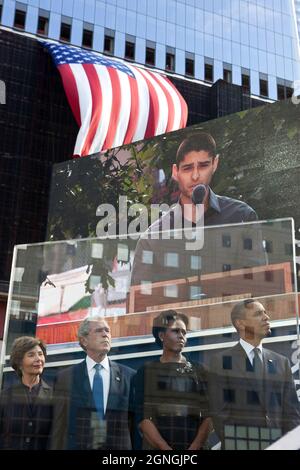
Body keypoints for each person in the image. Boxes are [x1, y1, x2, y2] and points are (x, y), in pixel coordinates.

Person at [131, 132, 262, 288]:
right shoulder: (153, 238)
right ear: (175, 172)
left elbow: (259, 285)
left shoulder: (242, 216)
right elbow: (140, 302)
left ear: (215, 163)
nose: (195, 176)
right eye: (187, 168)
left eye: (203, 165)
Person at [209, 299, 300, 450]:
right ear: (240, 323)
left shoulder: (281, 362)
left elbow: (292, 413)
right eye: (259, 313)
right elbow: (220, 415)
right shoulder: (220, 362)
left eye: (265, 312)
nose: (266, 317)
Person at [51, 316, 135, 450]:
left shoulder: (129, 376)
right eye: (99, 331)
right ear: (84, 341)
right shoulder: (65, 378)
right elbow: (58, 426)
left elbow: (135, 426)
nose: (105, 334)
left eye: (107, 331)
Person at [132, 310, 211, 450]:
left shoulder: (200, 371)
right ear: (161, 335)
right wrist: (165, 449)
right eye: (176, 331)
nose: (181, 336)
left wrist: (194, 448)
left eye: (184, 332)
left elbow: (210, 415)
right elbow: (142, 418)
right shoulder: (146, 371)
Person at [0, 336, 53, 450]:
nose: (38, 358)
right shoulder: (5, 397)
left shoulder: (54, 397)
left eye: (40, 354)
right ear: (19, 363)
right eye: (31, 355)